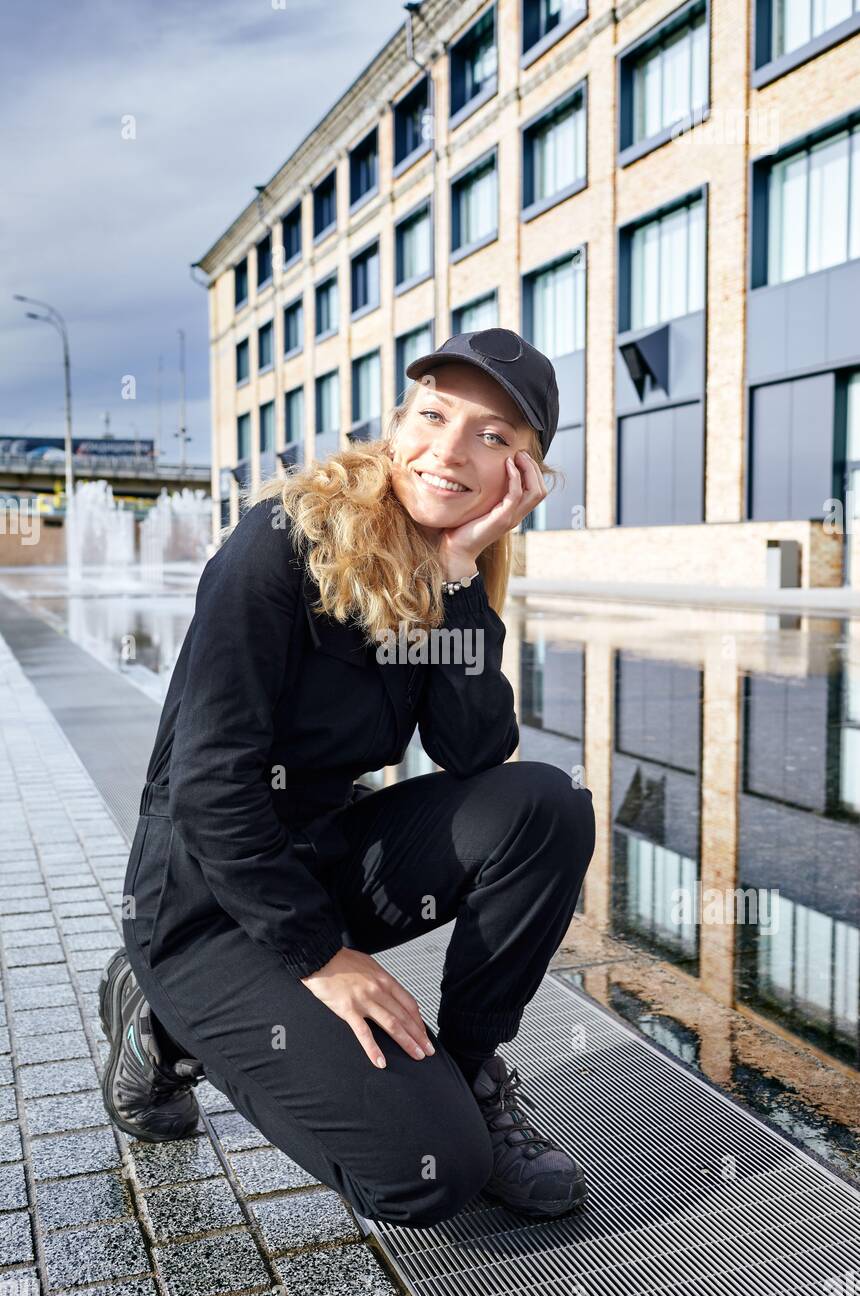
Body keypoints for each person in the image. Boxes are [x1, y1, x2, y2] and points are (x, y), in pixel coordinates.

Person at [99, 328, 596, 1226]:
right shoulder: (281, 544)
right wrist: (322, 960)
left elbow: (478, 755)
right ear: (398, 421)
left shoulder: (443, 569)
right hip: (204, 901)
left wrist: (456, 583)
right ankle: (161, 1020)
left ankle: (475, 1070)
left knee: (547, 807)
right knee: (429, 1173)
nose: (448, 450)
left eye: (492, 437)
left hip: (317, 861)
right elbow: (209, 787)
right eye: (434, 414)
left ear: (523, 477)